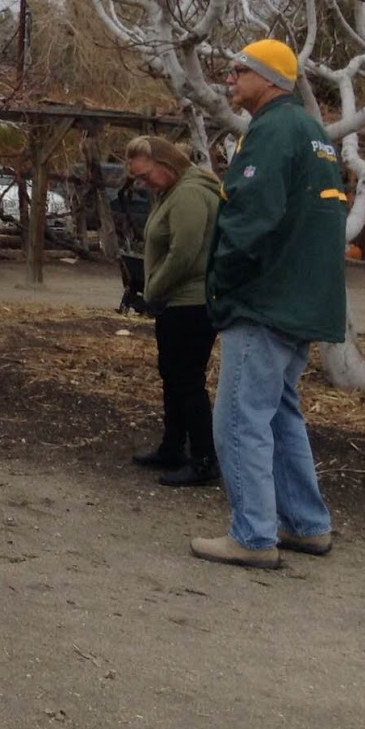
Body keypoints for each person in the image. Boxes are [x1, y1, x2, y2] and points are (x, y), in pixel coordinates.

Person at [191, 39, 346, 569]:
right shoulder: (311, 131)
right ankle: (306, 524)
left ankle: (253, 536)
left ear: (270, 79)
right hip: (302, 301)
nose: (229, 79)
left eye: (240, 71)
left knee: (239, 418)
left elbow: (249, 217)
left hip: (264, 299)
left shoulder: (272, 131)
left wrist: (222, 283)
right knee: (280, 412)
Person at [125, 135, 223, 487]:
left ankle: (204, 458)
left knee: (187, 379)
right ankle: (173, 445)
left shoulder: (189, 195)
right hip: (176, 300)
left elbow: (184, 252)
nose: (143, 183)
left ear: (165, 164)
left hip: (190, 301)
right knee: (172, 374)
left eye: (145, 175)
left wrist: (153, 288)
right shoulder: (172, 192)